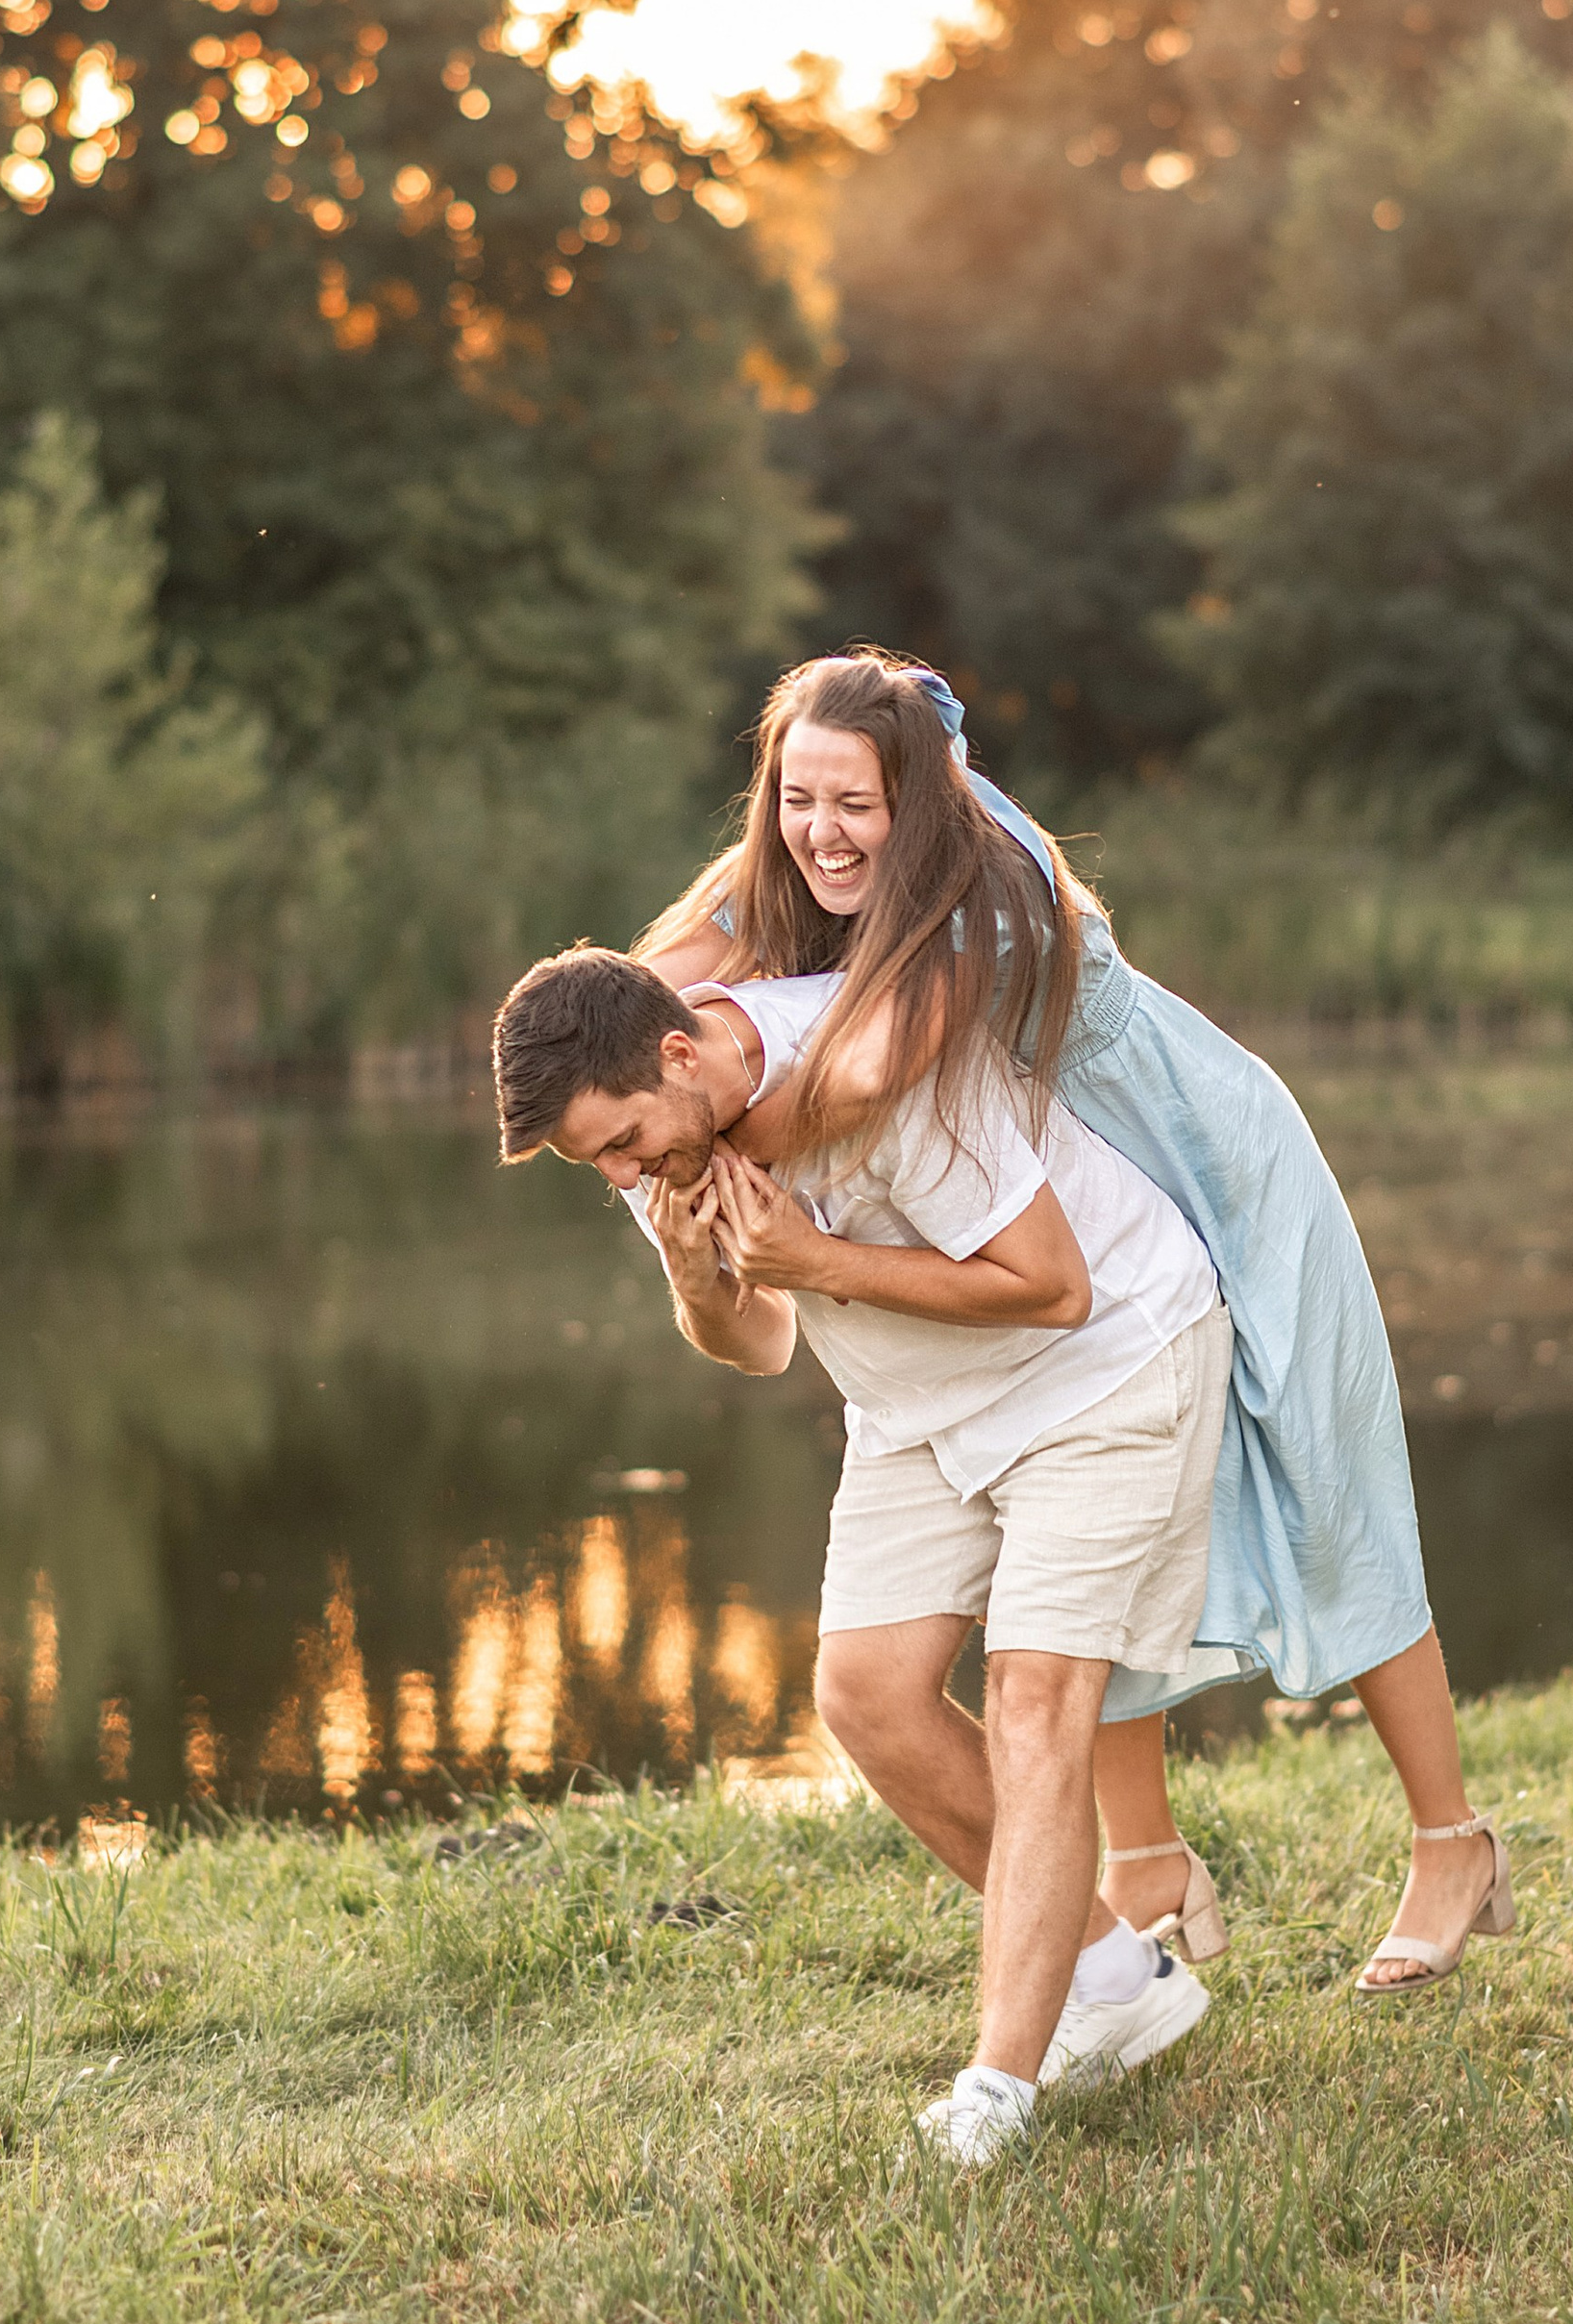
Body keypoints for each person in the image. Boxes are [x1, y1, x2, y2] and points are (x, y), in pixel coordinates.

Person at [640, 649, 1514, 1998]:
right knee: (1075, 1527)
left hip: (1201, 1160)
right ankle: (1148, 1863)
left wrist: (704, 1139)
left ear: (920, 798)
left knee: (1322, 1481)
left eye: (855, 804)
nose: (822, 832)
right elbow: (644, 989)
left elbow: (859, 1077)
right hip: (1066, 1190)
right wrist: (633, 1076)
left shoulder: (982, 889)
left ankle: (1451, 1841)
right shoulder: (795, 860)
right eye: (797, 800)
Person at [493, 943, 1238, 2166]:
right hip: (921, 1405)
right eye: (599, 1164)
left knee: (1034, 1698)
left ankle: (998, 2089)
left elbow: (1052, 1285)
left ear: (679, 1055)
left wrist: (815, 1261)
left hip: (1104, 1362)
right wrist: (697, 1275)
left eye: (622, 1144)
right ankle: (1117, 1979)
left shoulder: (878, 1069)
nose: (622, 1173)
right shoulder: (661, 1129)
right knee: (864, 1693)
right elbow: (759, 1342)